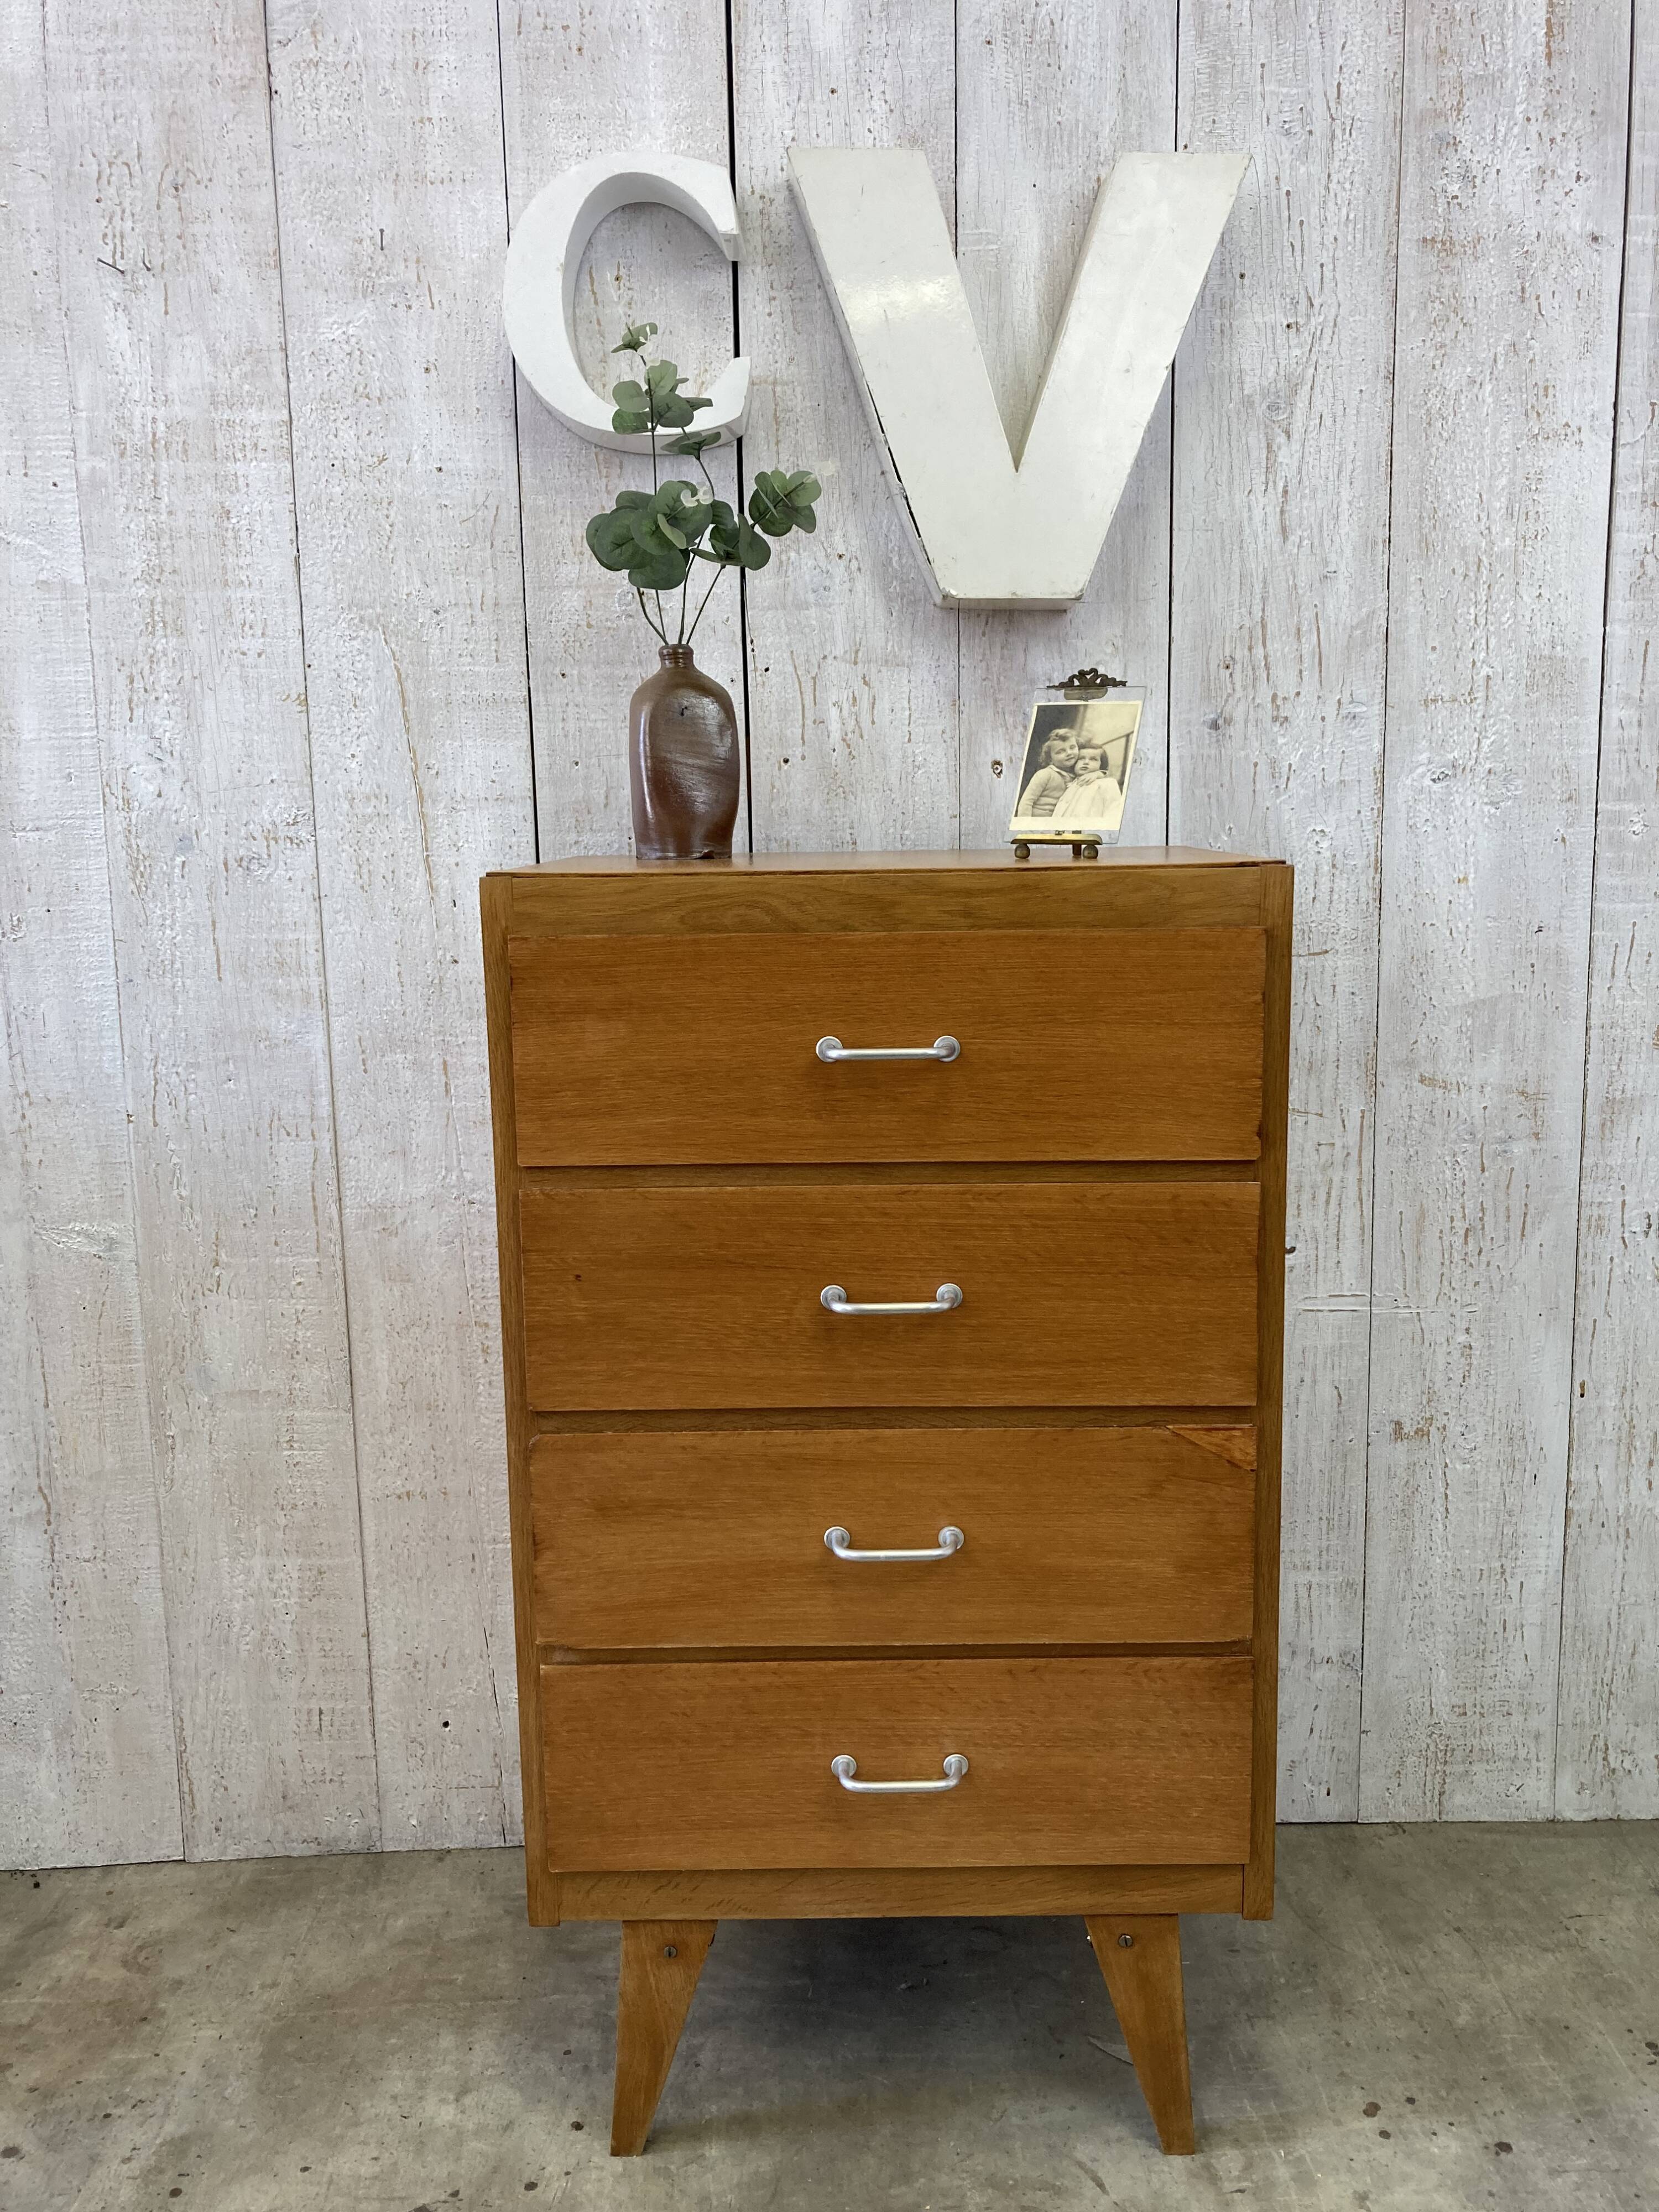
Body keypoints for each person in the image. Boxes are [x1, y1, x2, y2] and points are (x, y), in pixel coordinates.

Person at [1048, 743, 1118, 829]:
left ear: (1102, 765)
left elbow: (1113, 816)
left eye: (1093, 759)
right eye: (1081, 759)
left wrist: (1100, 773)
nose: (1086, 762)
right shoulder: (1069, 784)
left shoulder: (1107, 783)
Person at [1016, 729, 1079, 818]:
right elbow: (1027, 802)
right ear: (1050, 759)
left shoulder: (1076, 775)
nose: (1069, 753)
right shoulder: (1045, 774)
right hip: (1036, 821)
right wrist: (1025, 825)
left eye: (1072, 748)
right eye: (1061, 752)